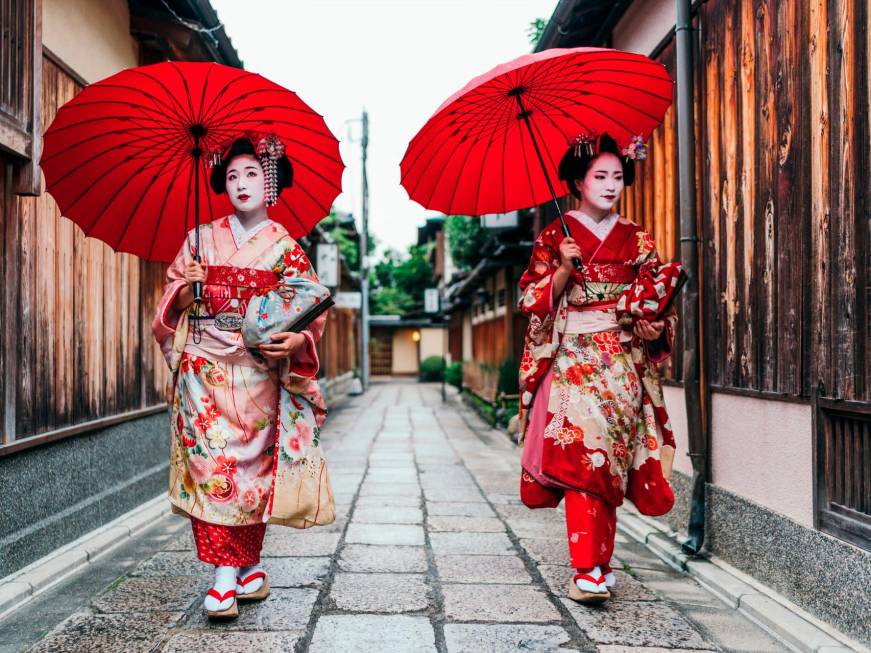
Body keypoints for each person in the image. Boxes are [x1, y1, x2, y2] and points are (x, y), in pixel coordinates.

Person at [152, 134, 331, 619]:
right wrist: (185, 294)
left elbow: (310, 312)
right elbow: (168, 307)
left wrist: (298, 343)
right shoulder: (198, 240)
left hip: (257, 375)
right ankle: (223, 578)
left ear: (269, 180)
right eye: (232, 175)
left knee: (252, 474)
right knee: (213, 472)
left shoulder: (285, 248)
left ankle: (247, 565)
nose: (241, 184)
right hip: (203, 373)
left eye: (252, 173)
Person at [517, 132, 677, 603]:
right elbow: (530, 299)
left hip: (622, 359)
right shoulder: (554, 236)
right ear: (577, 183)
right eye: (599, 176)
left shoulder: (638, 237)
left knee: (610, 459)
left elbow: (654, 299)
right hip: (573, 358)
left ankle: (600, 564)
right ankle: (586, 568)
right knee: (584, 454)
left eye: (618, 177)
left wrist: (653, 326)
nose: (610, 186)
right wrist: (563, 270)